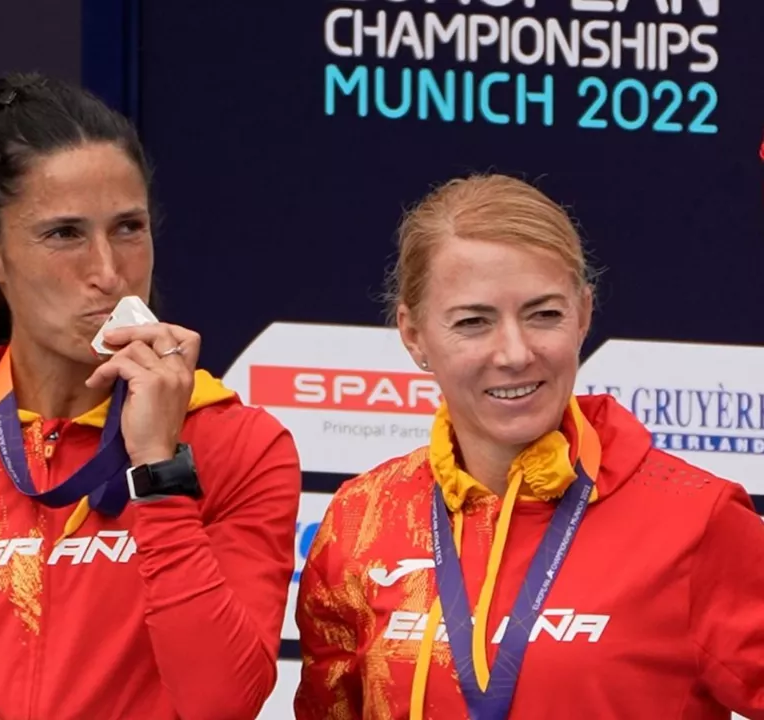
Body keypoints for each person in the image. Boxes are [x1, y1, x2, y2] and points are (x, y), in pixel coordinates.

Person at [0, 72, 302, 720]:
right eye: (65, 234)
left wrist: (159, 467)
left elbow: (222, 702)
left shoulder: (235, 445)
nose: (107, 271)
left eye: (128, 228)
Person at [294, 173, 764, 719]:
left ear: (584, 314)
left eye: (545, 315)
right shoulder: (361, 521)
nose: (515, 353)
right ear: (414, 334)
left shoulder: (695, 519)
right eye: (473, 322)